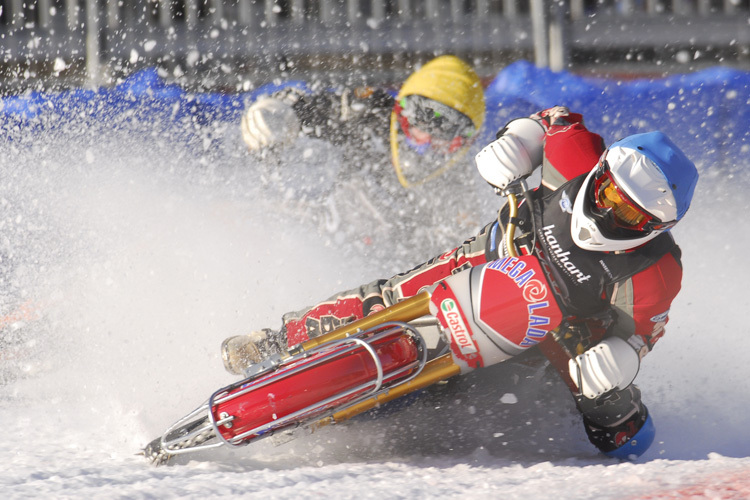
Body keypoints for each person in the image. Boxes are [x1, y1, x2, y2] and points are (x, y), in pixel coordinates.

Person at [222, 105, 699, 459]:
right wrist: (516, 141)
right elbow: (549, 120)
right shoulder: (576, 153)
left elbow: (641, 332)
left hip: (555, 336)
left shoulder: (655, 271)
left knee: (623, 432)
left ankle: (406, 435)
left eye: (630, 211)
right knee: (387, 297)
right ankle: (278, 339)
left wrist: (618, 360)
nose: (609, 209)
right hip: (493, 253)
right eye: (612, 190)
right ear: (603, 169)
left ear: (655, 226)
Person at [240, 55, 486, 188]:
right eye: (422, 121)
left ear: (463, 141)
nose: (428, 139)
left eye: (446, 132)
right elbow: (313, 105)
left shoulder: (457, 179)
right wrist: (278, 112)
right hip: (339, 231)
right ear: (403, 109)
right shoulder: (370, 112)